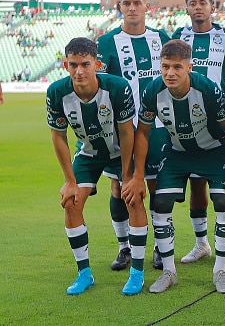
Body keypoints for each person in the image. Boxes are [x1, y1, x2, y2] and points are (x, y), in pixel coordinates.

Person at [123, 40, 225, 294]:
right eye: (165, 67)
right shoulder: (152, 91)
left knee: (223, 201)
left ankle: (220, 270)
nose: (170, 73)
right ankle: (169, 271)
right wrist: (138, 175)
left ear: (189, 67)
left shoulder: (207, 89)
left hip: (213, 152)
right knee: (160, 203)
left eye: (177, 67)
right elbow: (143, 133)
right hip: (178, 153)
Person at [47, 37, 147, 296]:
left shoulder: (117, 87)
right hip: (89, 153)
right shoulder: (57, 92)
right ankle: (84, 274)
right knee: (70, 202)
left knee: (133, 198)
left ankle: (137, 272)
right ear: (65, 64)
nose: (79, 71)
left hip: (120, 151)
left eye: (85, 64)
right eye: (73, 65)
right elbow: (58, 136)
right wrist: (70, 181)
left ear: (97, 65)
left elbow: (127, 133)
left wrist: (128, 176)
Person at [97, 0, 171, 272]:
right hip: (121, 129)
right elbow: (103, 86)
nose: (131, 7)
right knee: (119, 186)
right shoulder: (106, 42)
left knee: (155, 186)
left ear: (146, 6)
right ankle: (124, 246)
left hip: (158, 126)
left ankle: (157, 246)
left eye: (136, 2)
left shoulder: (161, 38)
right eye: (125, 3)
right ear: (119, 7)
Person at [171, 0, 225, 266]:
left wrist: (219, 86)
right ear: (186, 8)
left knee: (224, 185)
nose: (198, 7)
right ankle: (201, 244)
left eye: (203, 3)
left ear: (213, 7)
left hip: (217, 119)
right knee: (196, 185)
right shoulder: (178, 36)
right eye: (192, 3)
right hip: (185, 119)